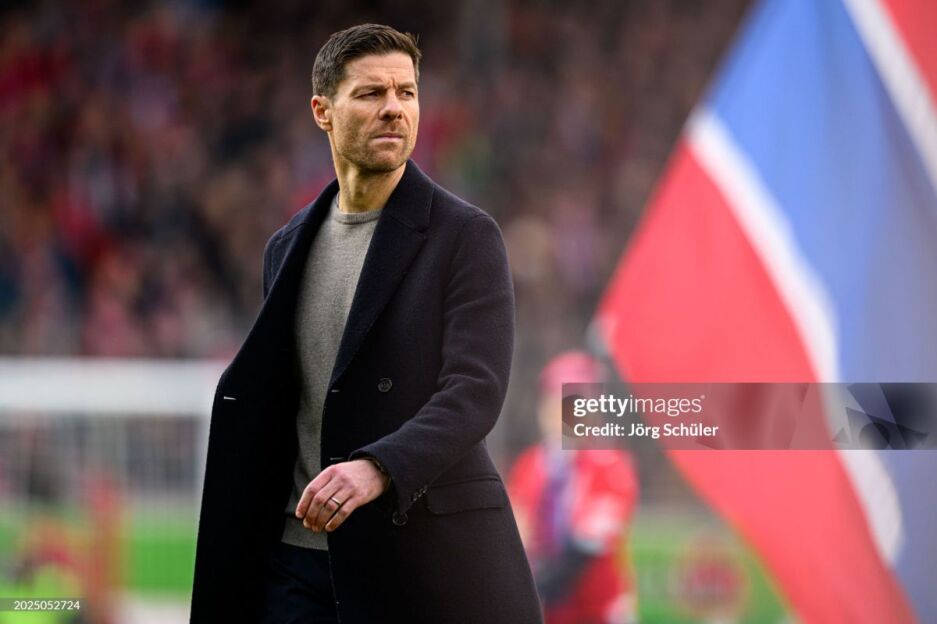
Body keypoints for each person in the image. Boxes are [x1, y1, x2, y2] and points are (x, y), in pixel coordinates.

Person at [189, 23, 542, 624]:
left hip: (416, 561)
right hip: (296, 564)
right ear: (322, 112)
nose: (394, 109)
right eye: (371, 93)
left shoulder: (466, 236)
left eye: (407, 92)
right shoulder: (286, 247)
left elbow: (475, 392)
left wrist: (379, 467)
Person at [508, 351, 639, 624]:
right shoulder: (529, 466)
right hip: (544, 608)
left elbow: (592, 538)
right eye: (557, 404)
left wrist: (551, 580)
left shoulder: (609, 464)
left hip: (597, 609)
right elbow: (518, 529)